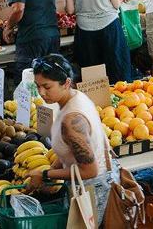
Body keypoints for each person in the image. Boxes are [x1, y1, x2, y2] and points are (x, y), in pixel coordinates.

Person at [26, 54, 117, 227]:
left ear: (66, 83)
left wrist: (45, 174)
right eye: (38, 86)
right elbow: (71, 149)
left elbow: (89, 171)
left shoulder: (72, 120)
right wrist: (52, 170)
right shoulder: (76, 96)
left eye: (47, 86)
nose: (41, 92)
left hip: (92, 190)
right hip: (87, 186)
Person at [4, 0, 60, 77]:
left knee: (27, 81)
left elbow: (18, 9)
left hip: (32, 38)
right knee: (49, 80)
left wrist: (8, 27)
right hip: (52, 36)